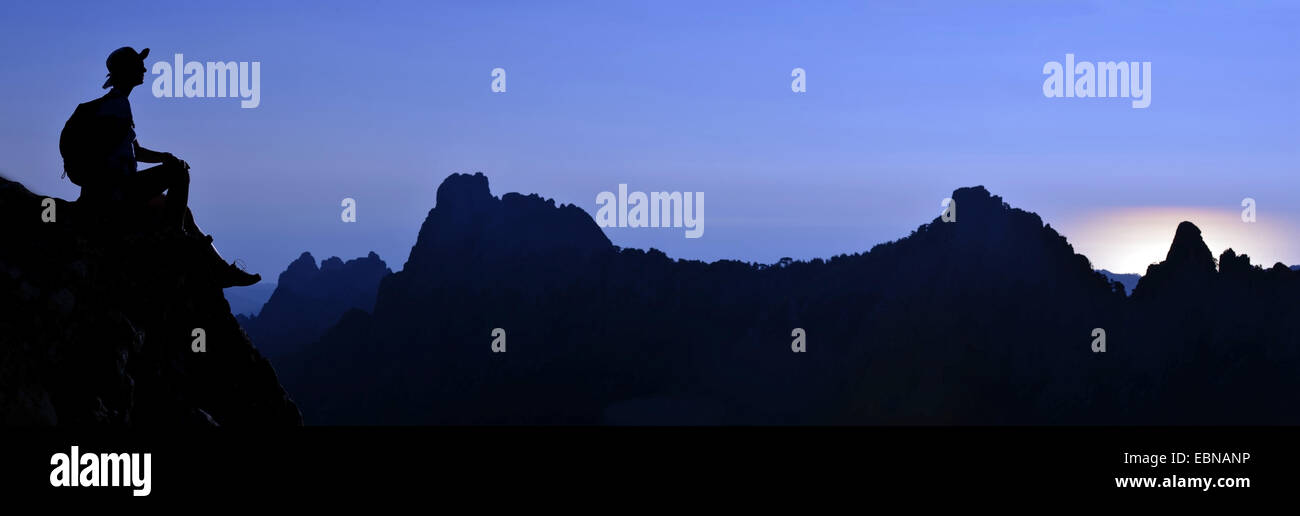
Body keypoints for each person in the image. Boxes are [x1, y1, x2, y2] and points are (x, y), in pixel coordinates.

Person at [73, 46, 260, 287]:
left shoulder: (112, 105)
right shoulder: (116, 106)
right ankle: (173, 236)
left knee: (185, 213)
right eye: (138, 65)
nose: (144, 69)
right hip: (116, 192)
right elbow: (116, 154)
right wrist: (167, 161)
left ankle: (222, 270)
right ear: (127, 71)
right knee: (178, 172)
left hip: (112, 190)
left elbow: (134, 151)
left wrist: (164, 156)